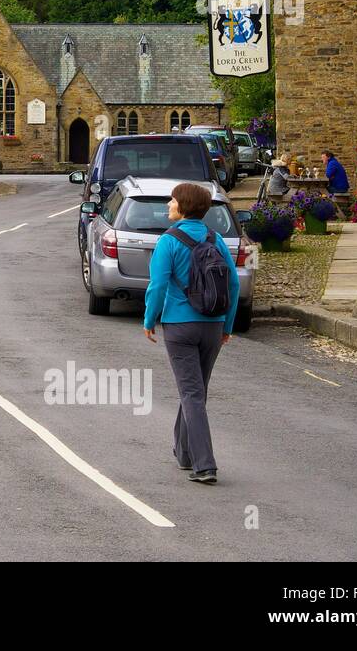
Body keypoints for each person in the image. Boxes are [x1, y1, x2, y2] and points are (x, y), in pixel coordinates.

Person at [142, 182, 240, 485]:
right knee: (196, 391)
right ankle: (184, 453)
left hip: (180, 327)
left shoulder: (168, 241)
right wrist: (227, 326)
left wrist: (149, 320)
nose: (169, 204)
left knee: (191, 393)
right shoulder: (216, 239)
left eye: (172, 200)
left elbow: (157, 285)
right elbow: (233, 285)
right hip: (212, 324)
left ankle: (205, 465)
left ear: (183, 205)